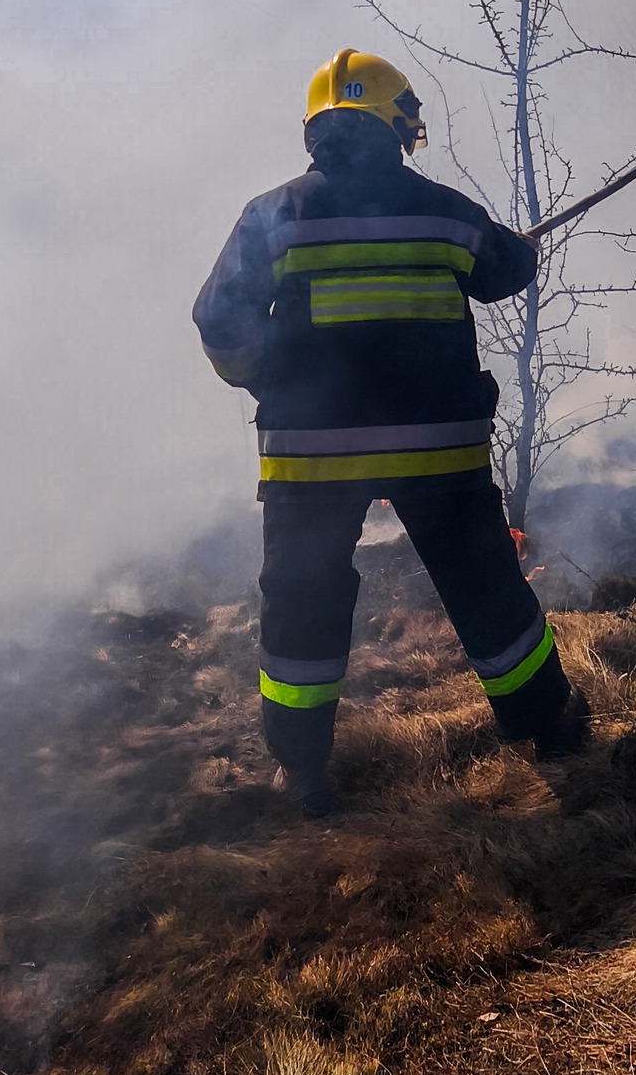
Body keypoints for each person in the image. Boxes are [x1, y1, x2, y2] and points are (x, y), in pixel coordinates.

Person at [192, 49, 589, 817]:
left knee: (302, 600)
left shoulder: (273, 215)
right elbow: (504, 270)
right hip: (437, 448)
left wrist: (269, 376)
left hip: (312, 457)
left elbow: (218, 320)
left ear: (318, 128)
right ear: (398, 125)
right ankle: (549, 729)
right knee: (483, 586)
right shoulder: (444, 211)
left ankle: (302, 773)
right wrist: (520, 246)